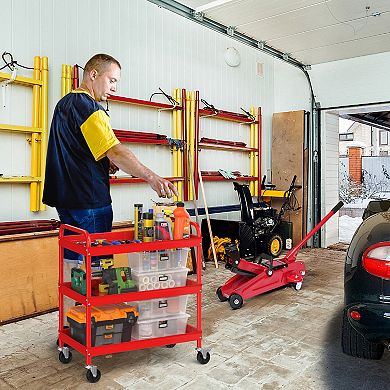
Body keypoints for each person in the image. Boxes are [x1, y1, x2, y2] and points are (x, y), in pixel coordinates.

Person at [43, 53, 178, 269]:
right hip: (90, 201)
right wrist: (152, 178)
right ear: (94, 74)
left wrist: (104, 163)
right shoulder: (91, 109)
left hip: (65, 200)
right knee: (99, 264)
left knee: (73, 260)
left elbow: (77, 151)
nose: (114, 88)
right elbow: (116, 152)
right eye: (112, 80)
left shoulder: (64, 104)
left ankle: (73, 302)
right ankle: (98, 303)